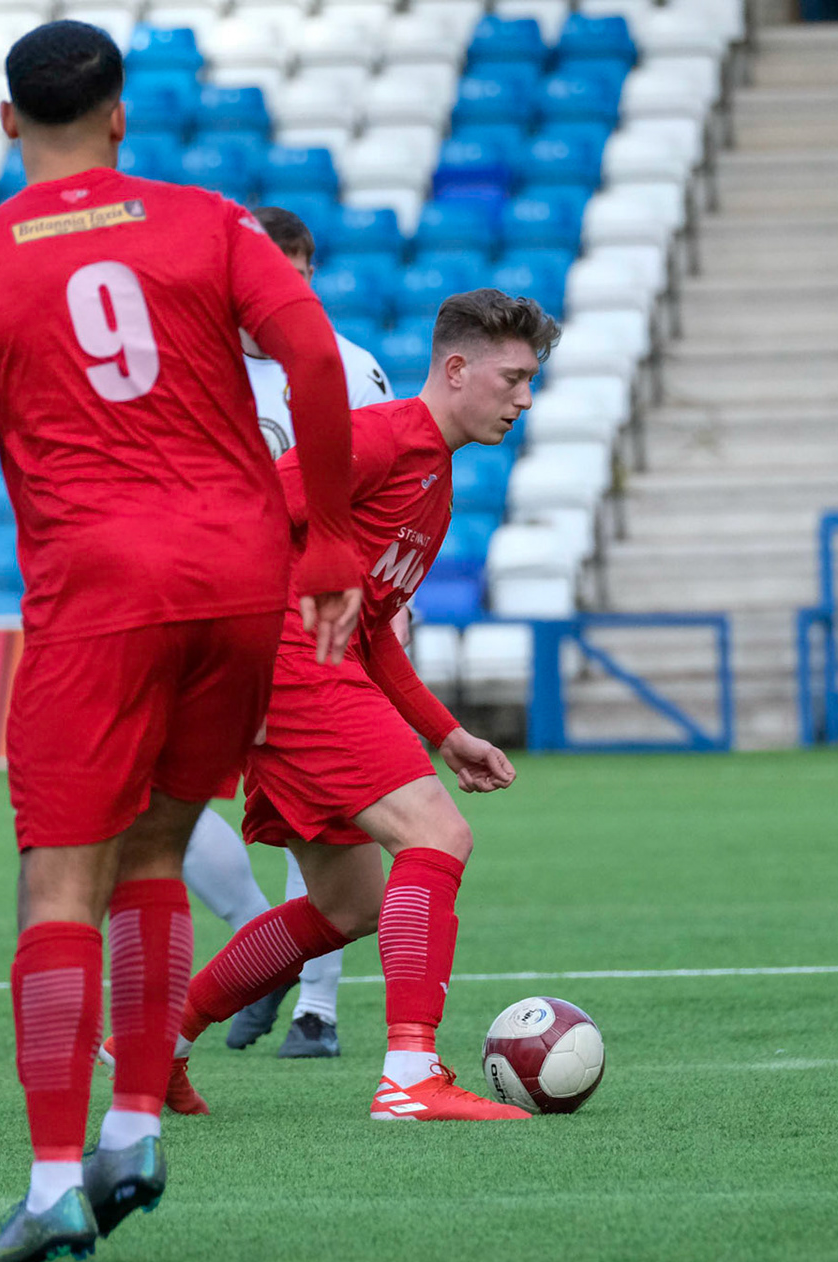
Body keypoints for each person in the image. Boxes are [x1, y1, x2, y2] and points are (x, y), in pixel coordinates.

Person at [0, 22, 362, 1262]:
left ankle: (52, 1182)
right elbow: (311, 354)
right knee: (158, 850)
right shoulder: (213, 222)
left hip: (100, 591)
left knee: (59, 882)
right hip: (239, 579)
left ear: (6, 122)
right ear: (121, 114)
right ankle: (132, 1127)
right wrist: (335, 539)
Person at [126, 289, 561, 1123]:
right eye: (513, 379)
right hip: (289, 666)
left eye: (530, 381)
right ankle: (410, 1076)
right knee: (437, 835)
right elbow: (239, 523)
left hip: (308, 666)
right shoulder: (378, 438)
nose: (525, 400)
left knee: (348, 904)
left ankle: (158, 1043)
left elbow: (370, 633)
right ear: (456, 368)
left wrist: (447, 734)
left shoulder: (434, 482)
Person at [181, 204, 394, 1062]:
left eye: (300, 272)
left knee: (322, 800)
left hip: (318, 614)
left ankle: (317, 1008)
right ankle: (261, 945)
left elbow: (380, 496)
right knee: (162, 794)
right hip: (210, 611)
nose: (288, 288)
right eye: (273, 273)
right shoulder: (196, 366)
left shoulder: (348, 367)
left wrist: (377, 607)